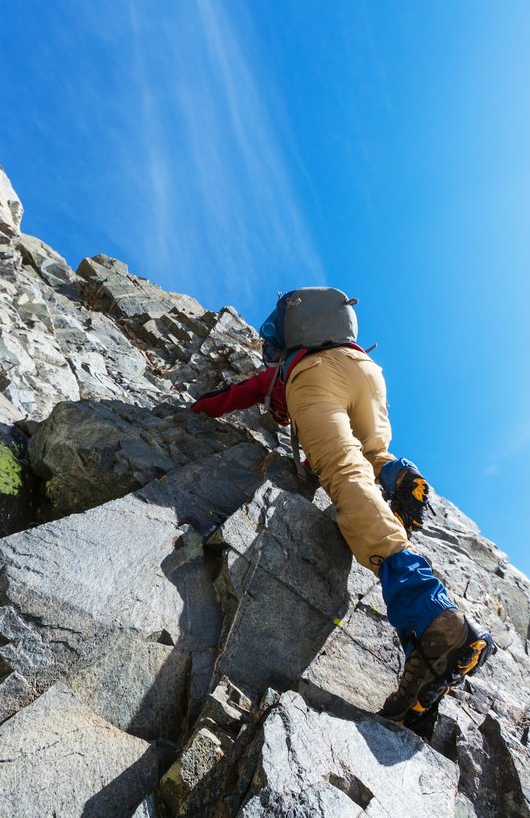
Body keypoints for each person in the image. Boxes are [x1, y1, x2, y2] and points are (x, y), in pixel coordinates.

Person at [191, 290, 496, 733]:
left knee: (342, 470)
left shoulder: (283, 369)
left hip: (316, 378)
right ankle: (398, 476)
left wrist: (196, 409)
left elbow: (233, 395)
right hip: (368, 374)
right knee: (373, 450)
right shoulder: (345, 346)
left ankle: (428, 610)